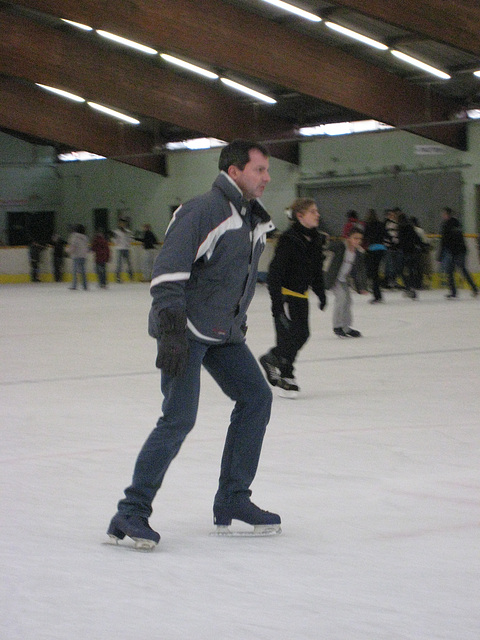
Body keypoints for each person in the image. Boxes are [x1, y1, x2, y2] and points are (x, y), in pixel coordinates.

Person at [107, 140, 280, 549]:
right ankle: (131, 511)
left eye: (267, 170)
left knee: (257, 398)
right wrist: (170, 331)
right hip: (184, 329)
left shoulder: (251, 219)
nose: (267, 178)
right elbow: (168, 272)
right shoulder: (204, 210)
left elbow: (232, 278)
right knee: (179, 418)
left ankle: (233, 499)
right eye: (259, 170)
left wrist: (237, 320)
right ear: (234, 171)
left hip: (222, 331)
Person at [259, 198, 327, 398]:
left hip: (301, 296)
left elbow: (316, 270)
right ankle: (287, 376)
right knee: (289, 336)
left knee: (302, 334)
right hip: (285, 296)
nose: (317, 214)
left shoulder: (315, 239)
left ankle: (272, 359)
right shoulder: (289, 239)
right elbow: (275, 272)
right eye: (313, 211)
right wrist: (277, 304)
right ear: (300, 216)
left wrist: (321, 292)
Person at [324, 226, 367, 337]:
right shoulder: (340, 246)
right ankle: (337, 326)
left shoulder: (358, 253)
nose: (357, 241)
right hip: (333, 278)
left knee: (348, 301)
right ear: (348, 238)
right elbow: (326, 247)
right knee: (341, 298)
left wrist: (361, 287)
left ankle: (346, 327)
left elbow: (359, 271)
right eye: (355, 238)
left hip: (342, 280)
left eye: (360, 239)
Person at [438, 207, 478, 299]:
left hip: (454, 251)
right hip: (460, 250)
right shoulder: (457, 223)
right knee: (461, 269)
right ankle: (473, 288)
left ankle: (454, 291)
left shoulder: (446, 225)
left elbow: (444, 241)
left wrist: (440, 256)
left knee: (451, 271)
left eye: (443, 214)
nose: (442, 215)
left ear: (447, 214)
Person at [397, 213, 423, 299]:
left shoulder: (400, 228)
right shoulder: (411, 227)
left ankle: (408, 287)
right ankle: (412, 288)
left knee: (401, 270)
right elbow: (417, 238)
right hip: (412, 251)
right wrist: (422, 246)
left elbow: (400, 241)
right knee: (411, 270)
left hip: (404, 252)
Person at [362, 209, 386, 304]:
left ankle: (377, 295)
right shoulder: (381, 224)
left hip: (372, 249)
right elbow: (385, 235)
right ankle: (378, 294)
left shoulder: (368, 225)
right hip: (381, 249)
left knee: (373, 273)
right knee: (376, 271)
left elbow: (365, 237)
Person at [67, 224, 89, 290]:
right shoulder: (85, 237)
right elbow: (87, 247)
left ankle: (74, 285)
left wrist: (68, 251)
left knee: (75, 272)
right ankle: (85, 286)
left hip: (76, 256)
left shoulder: (74, 237)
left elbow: (73, 247)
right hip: (83, 256)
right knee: (83, 272)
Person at [383, 208, 401, 288]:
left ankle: (393, 280)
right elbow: (386, 235)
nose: (391, 216)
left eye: (393, 215)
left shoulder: (397, 224)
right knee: (389, 264)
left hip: (395, 247)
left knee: (395, 265)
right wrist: (391, 240)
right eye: (390, 215)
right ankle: (389, 281)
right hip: (388, 246)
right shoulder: (385, 224)